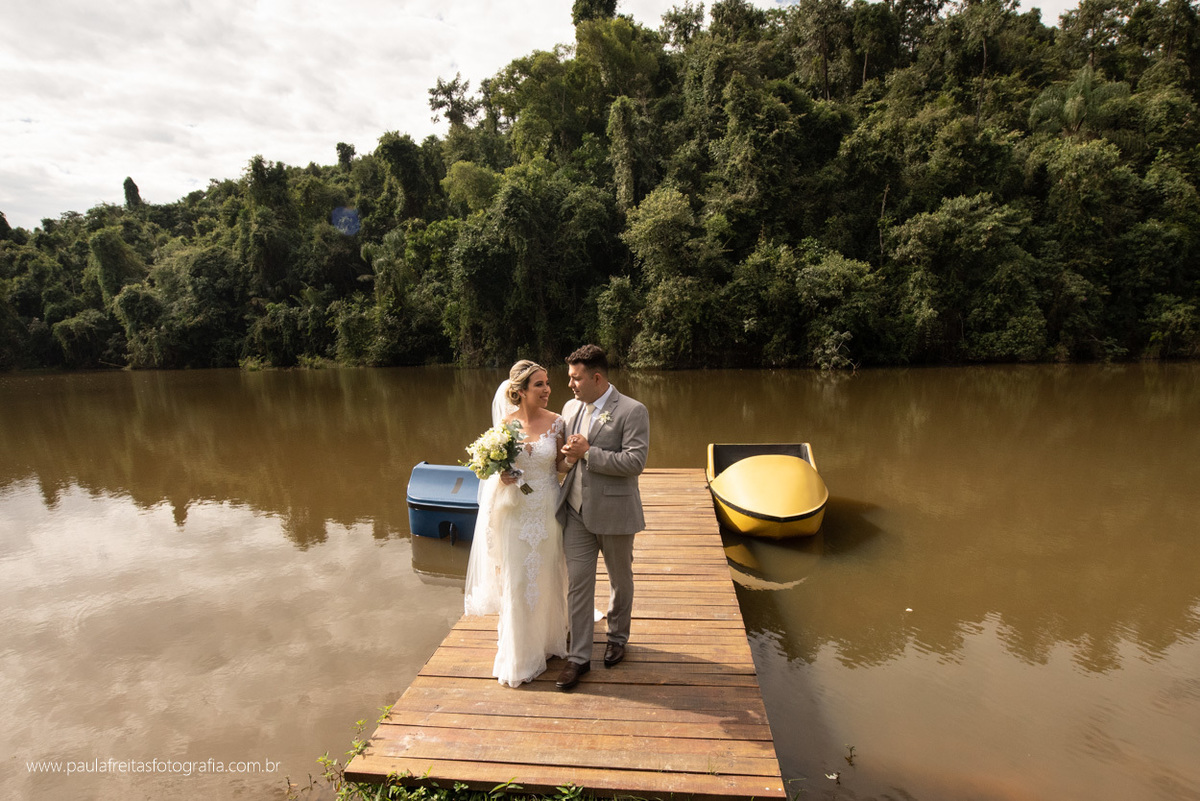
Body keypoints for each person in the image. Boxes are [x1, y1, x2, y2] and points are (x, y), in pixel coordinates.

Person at [463, 361, 570, 687]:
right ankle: (521, 655)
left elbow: (560, 466)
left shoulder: (558, 422)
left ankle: (547, 642)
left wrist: (574, 454)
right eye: (539, 384)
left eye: (547, 383)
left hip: (548, 509)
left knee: (548, 575)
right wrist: (501, 476)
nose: (547, 389)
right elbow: (492, 471)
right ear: (520, 391)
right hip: (516, 514)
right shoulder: (504, 427)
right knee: (519, 582)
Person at [555, 344, 649, 691]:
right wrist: (568, 456)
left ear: (596, 378)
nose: (570, 385)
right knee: (578, 584)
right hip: (575, 511)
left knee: (619, 580)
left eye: (576, 378)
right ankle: (578, 657)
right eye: (570, 377)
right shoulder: (570, 407)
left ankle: (617, 637)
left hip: (615, 513)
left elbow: (635, 462)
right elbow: (566, 458)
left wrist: (589, 453)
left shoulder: (632, 410)